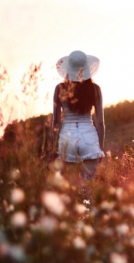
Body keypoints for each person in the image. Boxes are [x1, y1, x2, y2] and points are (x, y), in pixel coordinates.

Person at [52, 50, 105, 183]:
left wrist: (54, 149)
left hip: (67, 138)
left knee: (71, 188)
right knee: (88, 187)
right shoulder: (95, 89)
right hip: (89, 137)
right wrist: (100, 147)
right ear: (87, 68)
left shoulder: (59, 88)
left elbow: (55, 123)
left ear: (68, 69)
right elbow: (100, 123)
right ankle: (87, 204)